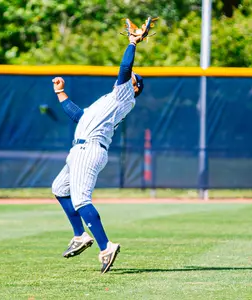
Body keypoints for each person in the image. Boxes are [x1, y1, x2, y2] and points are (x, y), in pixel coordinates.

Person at [50, 32, 145, 274]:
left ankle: (106, 246)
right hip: (80, 148)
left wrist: (133, 42)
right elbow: (78, 116)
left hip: (88, 149)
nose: (126, 78)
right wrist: (61, 93)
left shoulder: (123, 96)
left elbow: (125, 67)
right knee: (60, 189)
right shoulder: (108, 101)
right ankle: (80, 235)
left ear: (134, 87)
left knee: (81, 200)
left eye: (132, 79)